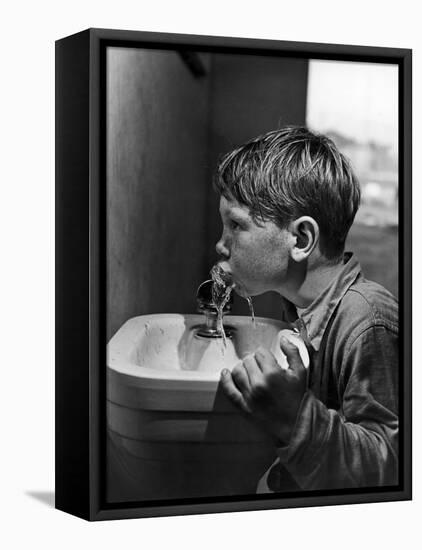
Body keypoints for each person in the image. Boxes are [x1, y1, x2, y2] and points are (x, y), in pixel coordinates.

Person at [215, 126, 398, 491]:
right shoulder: (300, 310)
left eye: (236, 225)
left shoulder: (366, 319)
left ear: (301, 239)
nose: (221, 245)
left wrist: (294, 418)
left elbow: (392, 468)